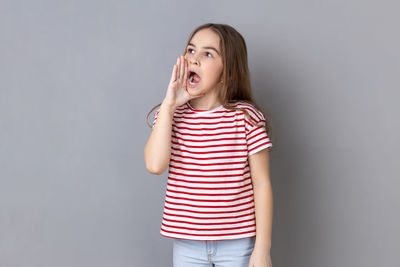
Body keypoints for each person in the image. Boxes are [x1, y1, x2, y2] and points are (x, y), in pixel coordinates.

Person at [144, 23, 274, 267]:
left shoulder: (245, 117)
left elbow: (262, 183)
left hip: (238, 243)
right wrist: (170, 106)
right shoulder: (172, 115)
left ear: (227, 72)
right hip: (187, 243)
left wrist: (262, 249)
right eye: (191, 51)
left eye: (208, 54)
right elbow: (154, 165)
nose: (194, 60)